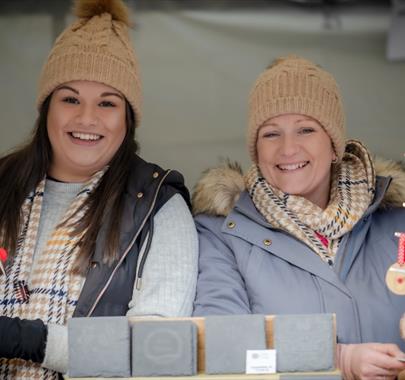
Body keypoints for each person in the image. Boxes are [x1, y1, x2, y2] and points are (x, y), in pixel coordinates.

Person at [0, 0, 198, 378]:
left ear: (128, 119)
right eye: (70, 98)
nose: (86, 118)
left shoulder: (158, 206)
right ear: (46, 109)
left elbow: (156, 348)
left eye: (107, 103)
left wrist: (27, 339)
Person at [192, 55, 405, 379]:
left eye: (306, 129)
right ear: (256, 150)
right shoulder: (222, 234)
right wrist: (336, 359)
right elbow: (220, 341)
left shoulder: (396, 220)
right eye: (271, 134)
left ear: (334, 145)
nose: (288, 148)